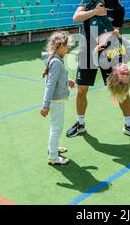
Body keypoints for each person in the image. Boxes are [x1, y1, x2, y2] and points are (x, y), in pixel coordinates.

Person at [67, 0, 130, 141]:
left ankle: (129, 125)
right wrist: (95, 12)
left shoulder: (119, 7)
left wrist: (114, 41)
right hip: (87, 50)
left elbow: (115, 31)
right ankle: (80, 124)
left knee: (122, 89)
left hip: (107, 51)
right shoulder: (91, 0)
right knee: (82, 89)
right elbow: (76, 17)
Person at [40, 31, 76, 165]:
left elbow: (58, 77)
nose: (68, 49)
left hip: (57, 100)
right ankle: (53, 156)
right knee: (57, 127)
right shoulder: (56, 62)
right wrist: (45, 105)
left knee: (57, 126)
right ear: (60, 46)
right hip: (56, 101)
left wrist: (68, 80)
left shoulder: (56, 59)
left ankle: (53, 148)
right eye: (66, 46)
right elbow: (50, 85)